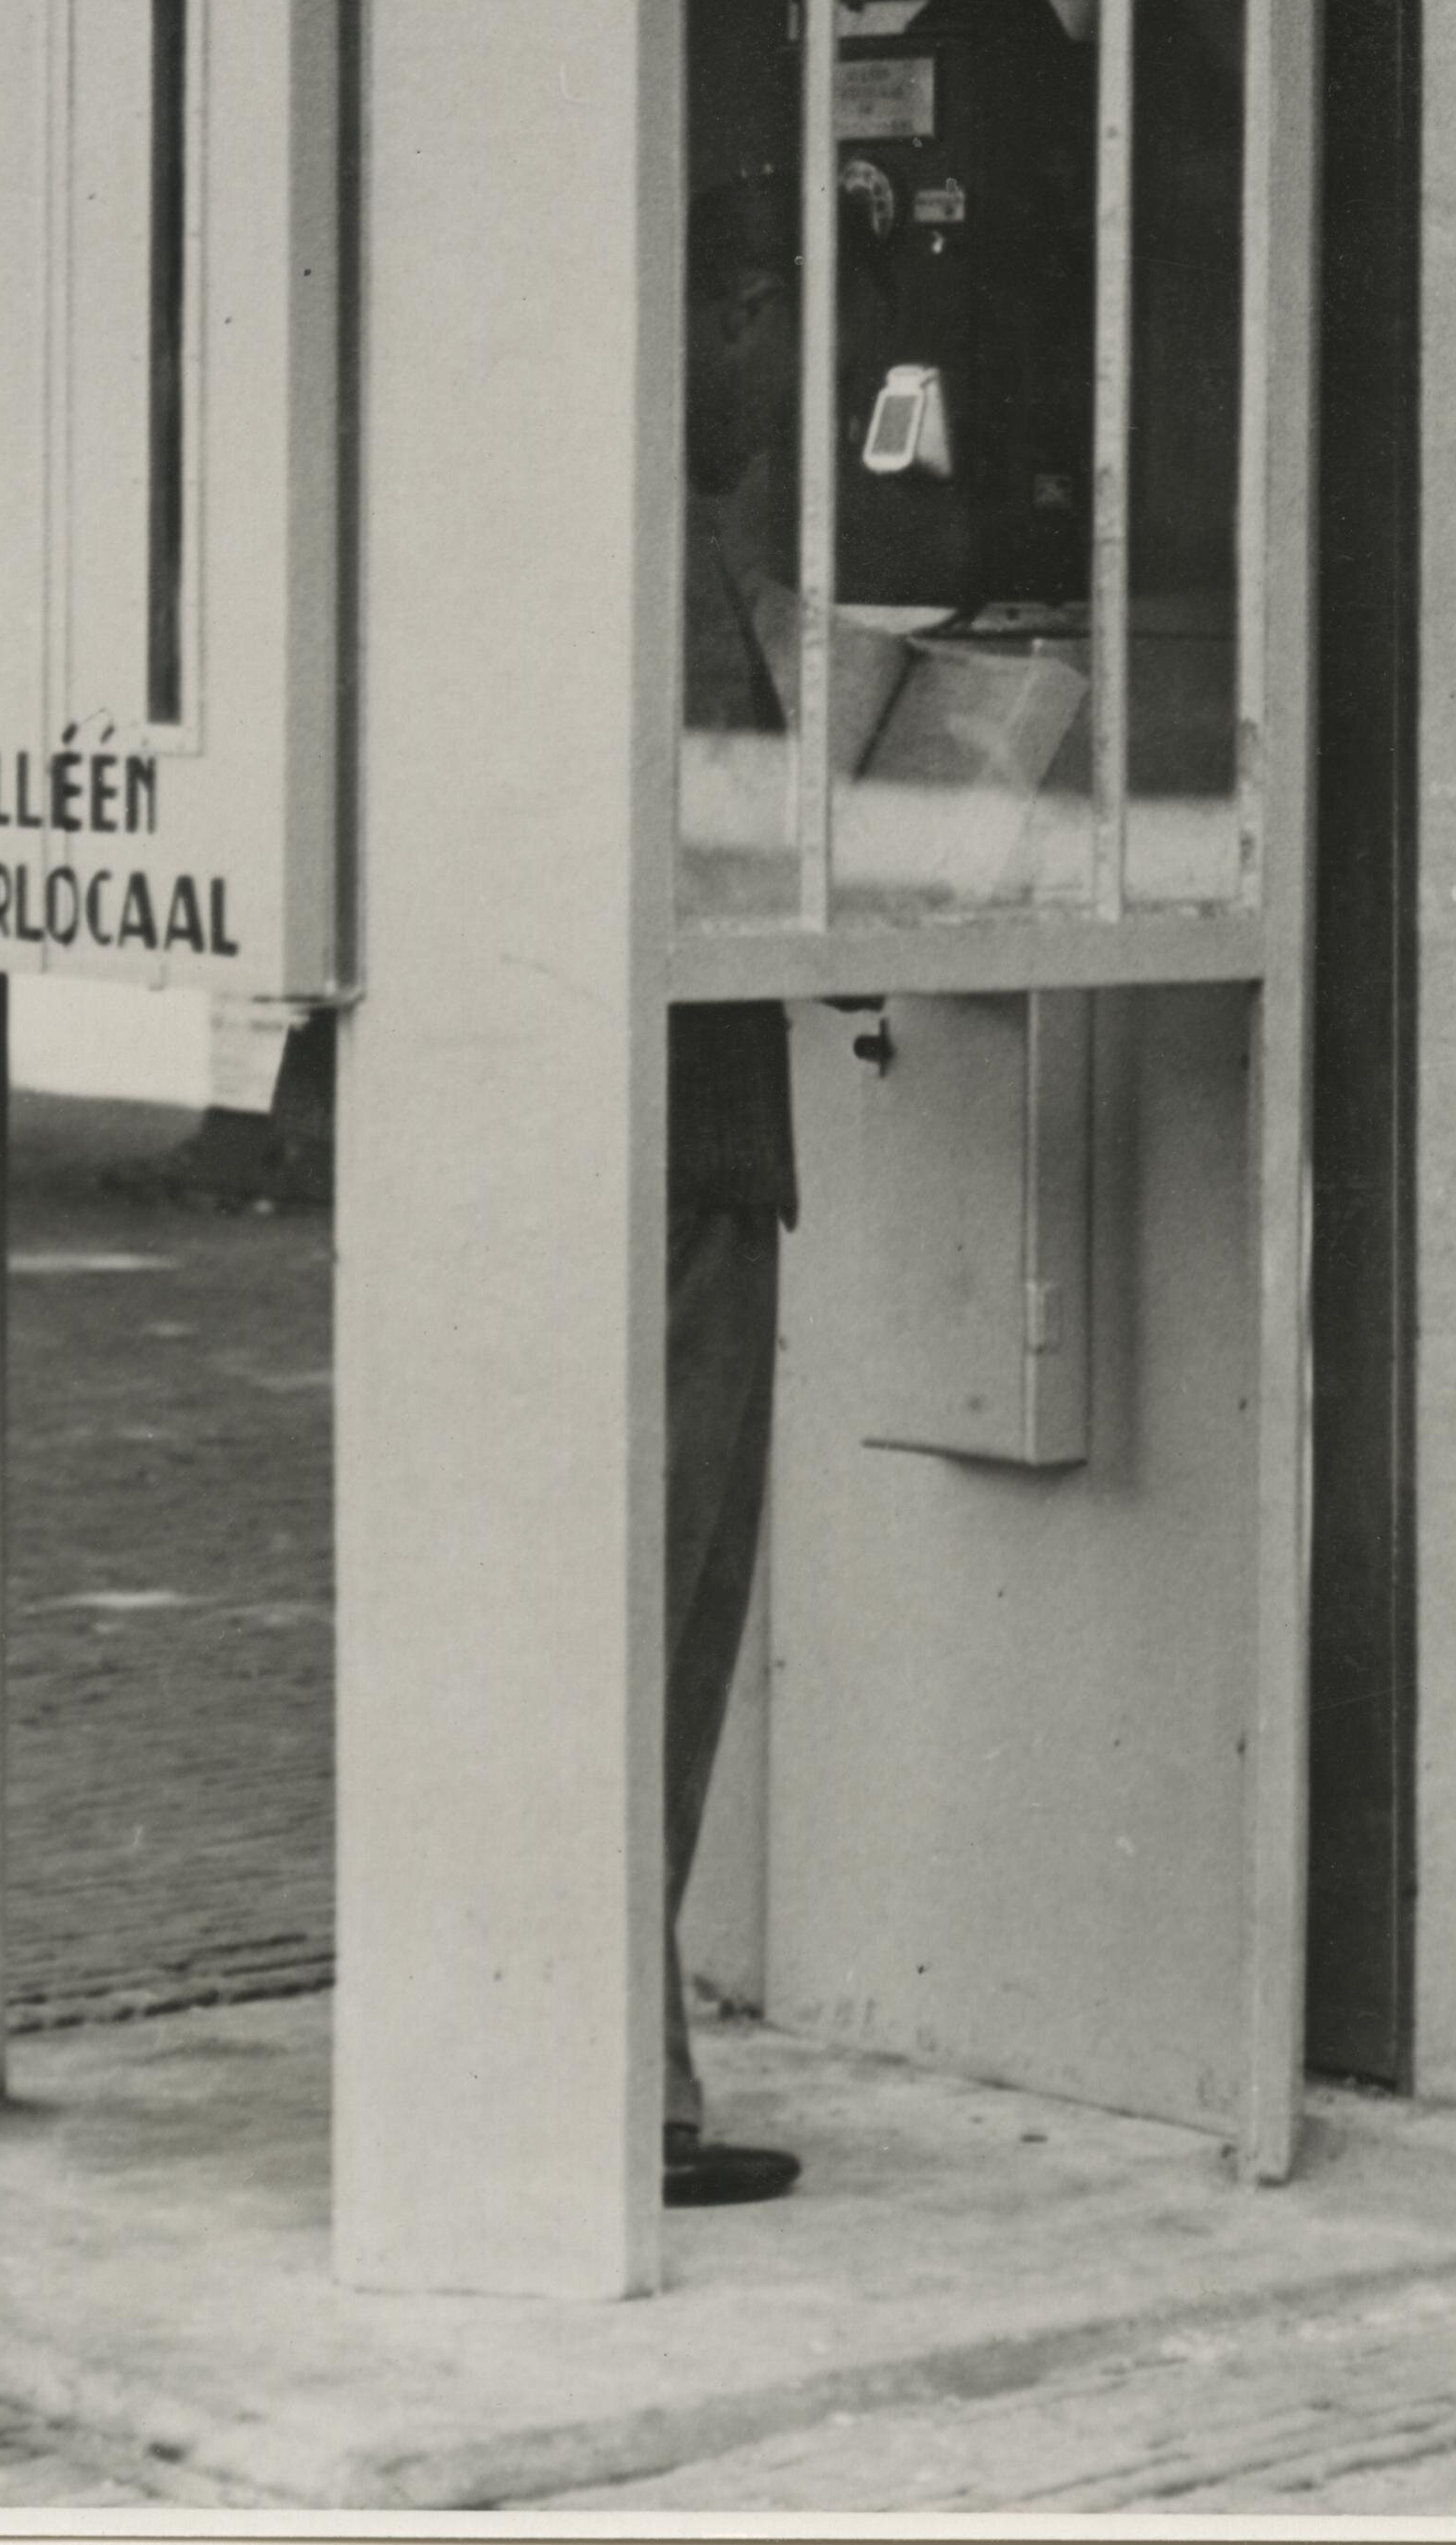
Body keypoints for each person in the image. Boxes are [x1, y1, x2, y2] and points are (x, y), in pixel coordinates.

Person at [663, 172, 805, 2210]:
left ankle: (628, 2059)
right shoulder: (685, 559)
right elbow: (761, 832)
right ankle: (635, 2080)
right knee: (669, 1595)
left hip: (638, 1139)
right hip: (686, 1149)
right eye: (773, 311)